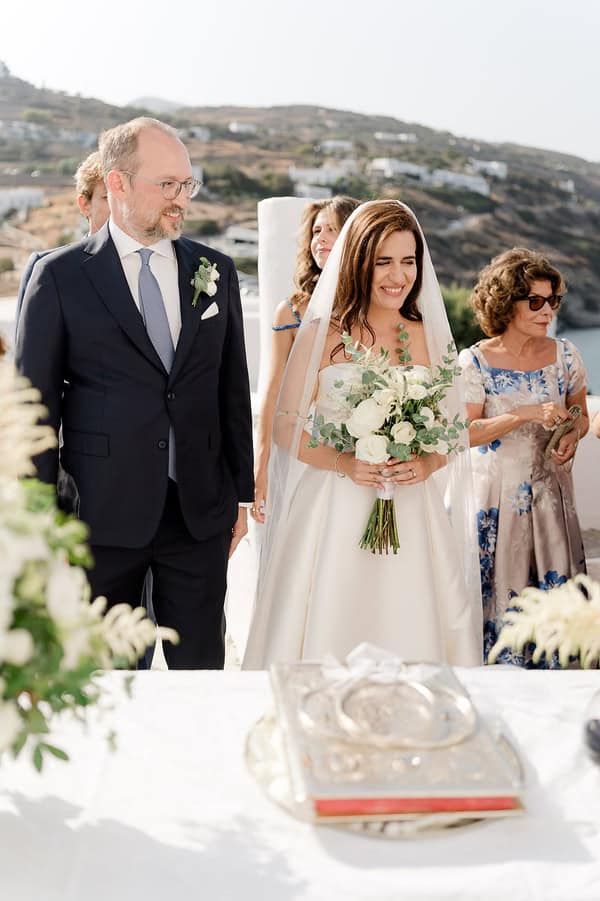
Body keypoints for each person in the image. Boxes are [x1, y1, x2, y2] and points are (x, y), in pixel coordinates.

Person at [16, 117, 254, 670]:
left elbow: (231, 388)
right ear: (117, 183)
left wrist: (239, 497)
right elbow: (34, 409)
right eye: (167, 184)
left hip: (198, 515)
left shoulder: (215, 271)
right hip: (97, 516)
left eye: (187, 185)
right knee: (105, 677)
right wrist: (39, 520)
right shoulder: (60, 276)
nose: (181, 199)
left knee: (203, 671)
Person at [243, 200, 482, 668]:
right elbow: (287, 423)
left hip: (412, 510)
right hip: (333, 508)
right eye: (383, 262)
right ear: (357, 263)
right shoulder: (322, 332)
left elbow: (452, 429)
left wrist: (428, 462)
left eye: (409, 261)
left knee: (411, 621)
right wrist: (345, 463)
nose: (399, 276)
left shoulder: (427, 334)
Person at [459, 247, 589, 665]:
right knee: (502, 607)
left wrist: (572, 435)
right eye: (535, 301)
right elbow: (465, 433)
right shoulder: (475, 362)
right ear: (504, 302)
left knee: (560, 616)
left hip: (552, 502)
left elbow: (581, 417)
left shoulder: (566, 355)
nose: (547, 310)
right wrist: (524, 414)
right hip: (497, 505)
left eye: (552, 300)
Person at [251, 196, 359, 524]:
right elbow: (272, 392)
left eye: (332, 229)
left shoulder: (379, 308)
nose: (320, 239)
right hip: (306, 454)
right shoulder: (292, 312)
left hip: (370, 457)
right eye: (316, 231)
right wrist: (260, 467)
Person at [15, 151, 109, 329]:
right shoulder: (48, 270)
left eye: (124, 197)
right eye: (108, 197)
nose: (119, 207)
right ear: (85, 204)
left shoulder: (153, 264)